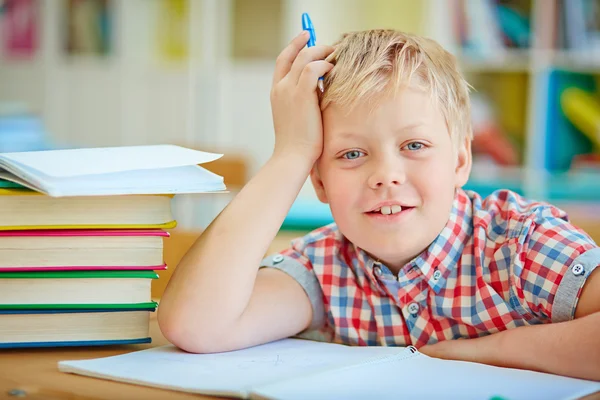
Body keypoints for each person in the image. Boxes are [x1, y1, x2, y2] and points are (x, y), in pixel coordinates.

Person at [158, 29, 600, 381]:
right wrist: (291, 152)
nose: (385, 175)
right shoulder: (322, 269)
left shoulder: (520, 245)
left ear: (461, 159)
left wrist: (484, 353)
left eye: (414, 144)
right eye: (351, 154)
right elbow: (197, 325)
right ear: (319, 180)